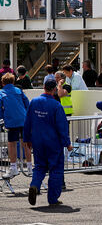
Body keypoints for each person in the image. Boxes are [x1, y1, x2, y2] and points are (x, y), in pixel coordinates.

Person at [23, 76, 72, 206]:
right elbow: (62, 127)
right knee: (55, 169)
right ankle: (52, 198)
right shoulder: (56, 105)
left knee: (39, 167)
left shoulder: (34, 102)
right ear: (55, 89)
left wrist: (27, 138)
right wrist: (67, 143)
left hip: (37, 141)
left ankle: (34, 185)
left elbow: (27, 122)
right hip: (53, 142)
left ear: (43, 87)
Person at [0, 74, 32, 179]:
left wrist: (3, 117)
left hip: (12, 121)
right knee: (26, 143)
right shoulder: (18, 91)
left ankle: (13, 167)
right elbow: (27, 103)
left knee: (12, 144)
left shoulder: (1, 92)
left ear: (2, 82)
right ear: (13, 82)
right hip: (24, 119)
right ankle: (30, 167)